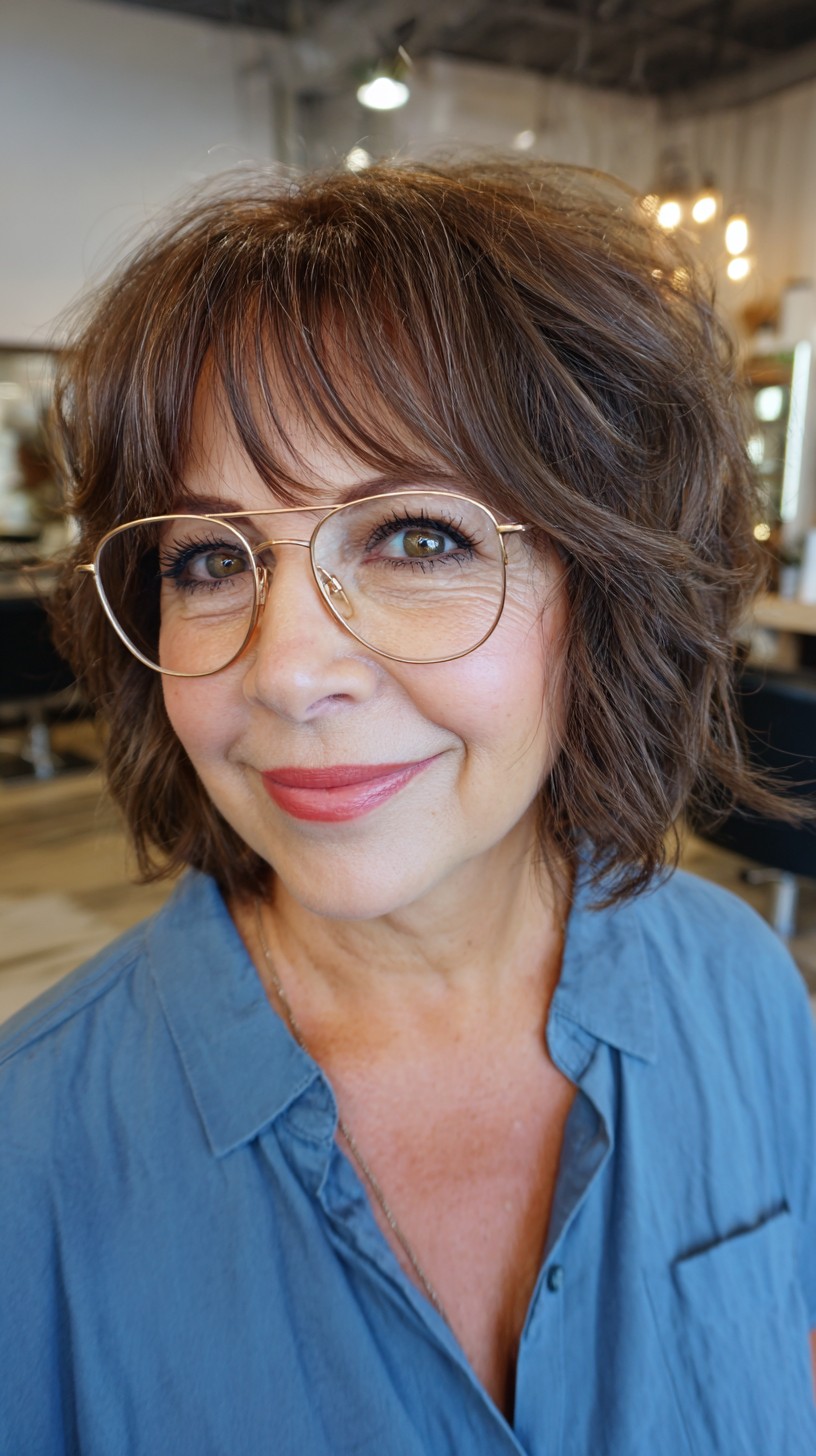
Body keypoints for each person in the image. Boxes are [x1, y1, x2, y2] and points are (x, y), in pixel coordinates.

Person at [1, 156, 815, 1455]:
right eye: (211, 560)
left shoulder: (744, 993)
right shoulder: (31, 1159)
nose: (283, 670)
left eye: (416, 539)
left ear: (604, 593)